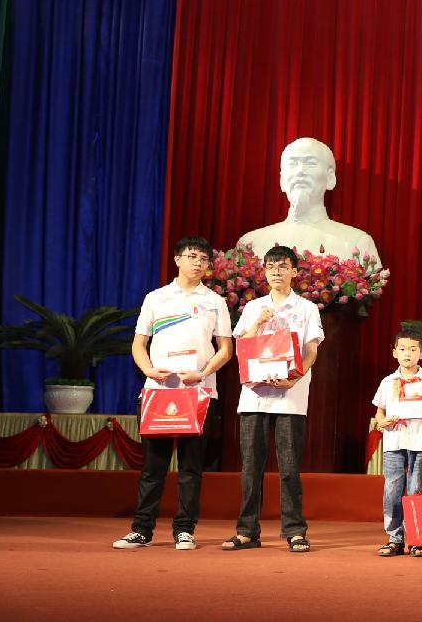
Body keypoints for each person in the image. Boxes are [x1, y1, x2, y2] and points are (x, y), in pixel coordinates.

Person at [113, 236, 232, 551]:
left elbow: (226, 349)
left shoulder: (215, 301)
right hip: (159, 391)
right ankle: (141, 530)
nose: (198, 263)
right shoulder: (156, 298)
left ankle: (184, 530)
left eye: (203, 259)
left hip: (199, 392)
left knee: (191, 468)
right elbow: (139, 343)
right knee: (153, 467)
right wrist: (149, 370)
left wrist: (202, 374)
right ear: (177, 259)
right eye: (192, 256)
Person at [222, 245, 324, 553]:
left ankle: (294, 530)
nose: (276, 272)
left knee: (289, 468)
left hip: (291, 396)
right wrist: (257, 324)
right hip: (254, 397)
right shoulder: (254, 307)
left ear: (294, 271)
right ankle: (247, 531)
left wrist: (295, 377)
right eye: (271, 266)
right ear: (264, 272)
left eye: (282, 266)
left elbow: (311, 350)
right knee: (251, 467)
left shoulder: (306, 308)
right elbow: (241, 348)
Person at [237, 137, 381, 264]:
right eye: (293, 164)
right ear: (282, 181)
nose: (300, 171)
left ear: (330, 178)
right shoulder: (251, 243)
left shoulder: (357, 243)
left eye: (311, 163)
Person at [371, 329, 422, 556]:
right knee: (392, 489)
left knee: (415, 490)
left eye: (412, 349)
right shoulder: (388, 382)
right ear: (395, 353)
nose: (407, 353)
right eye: (402, 349)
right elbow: (379, 413)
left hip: (420, 445)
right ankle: (395, 538)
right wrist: (383, 421)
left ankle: (417, 539)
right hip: (394, 443)